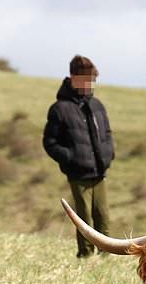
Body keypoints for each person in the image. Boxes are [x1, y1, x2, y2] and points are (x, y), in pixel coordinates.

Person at [42, 55, 115, 257]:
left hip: (99, 172)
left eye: (93, 80)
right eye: (88, 79)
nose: (91, 84)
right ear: (74, 78)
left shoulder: (97, 106)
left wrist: (109, 155)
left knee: (103, 215)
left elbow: (107, 134)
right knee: (83, 217)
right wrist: (71, 158)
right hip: (77, 174)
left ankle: (106, 254)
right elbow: (50, 142)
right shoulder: (59, 109)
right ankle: (86, 255)